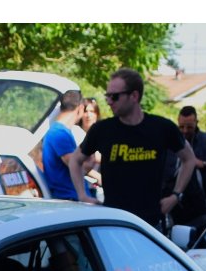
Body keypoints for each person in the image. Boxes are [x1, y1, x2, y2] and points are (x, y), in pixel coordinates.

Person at [67, 68, 197, 230]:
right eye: (107, 96)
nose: (109, 101)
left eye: (114, 96)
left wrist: (176, 196)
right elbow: (75, 160)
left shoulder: (161, 127)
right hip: (114, 222)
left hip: (150, 224)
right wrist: (82, 195)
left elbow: (189, 159)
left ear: (134, 96)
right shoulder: (102, 130)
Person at [41, 90, 90, 201]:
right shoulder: (59, 133)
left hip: (71, 197)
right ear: (80, 108)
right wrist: (92, 159)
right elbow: (74, 165)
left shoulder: (61, 131)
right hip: (70, 198)